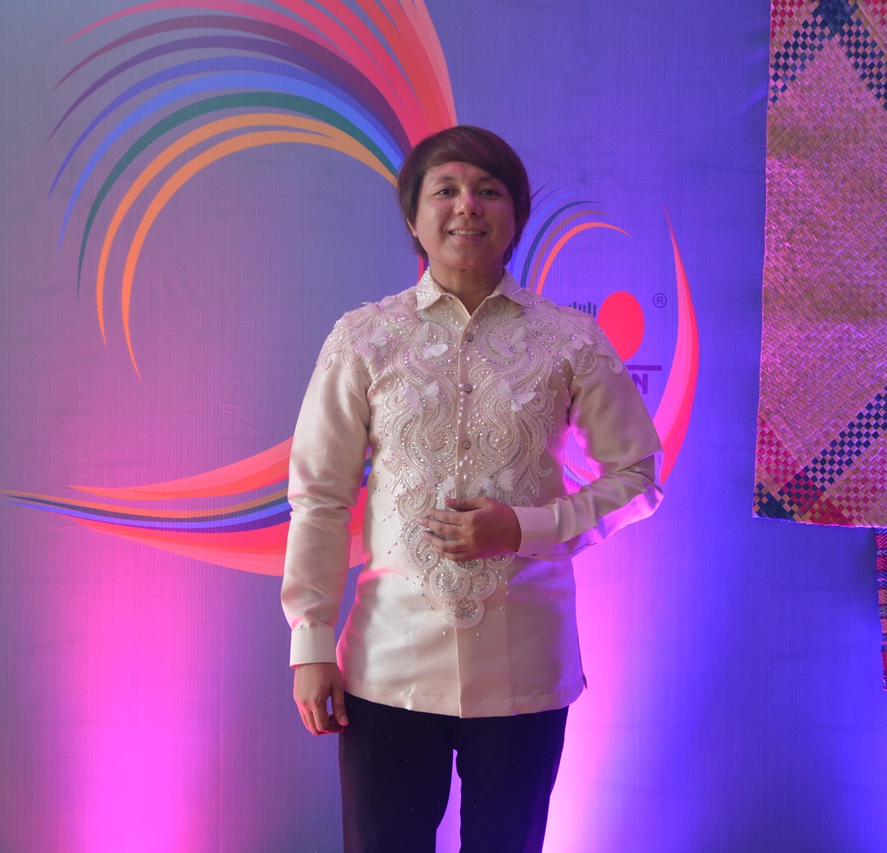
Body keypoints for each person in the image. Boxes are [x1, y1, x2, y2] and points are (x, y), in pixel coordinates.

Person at [281, 125, 663, 853]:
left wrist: (524, 527)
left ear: (516, 216)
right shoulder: (364, 338)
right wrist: (311, 641)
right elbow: (320, 496)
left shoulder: (570, 340)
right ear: (413, 214)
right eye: (446, 190)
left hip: (525, 664)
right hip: (388, 664)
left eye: (489, 190)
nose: (467, 206)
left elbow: (637, 478)